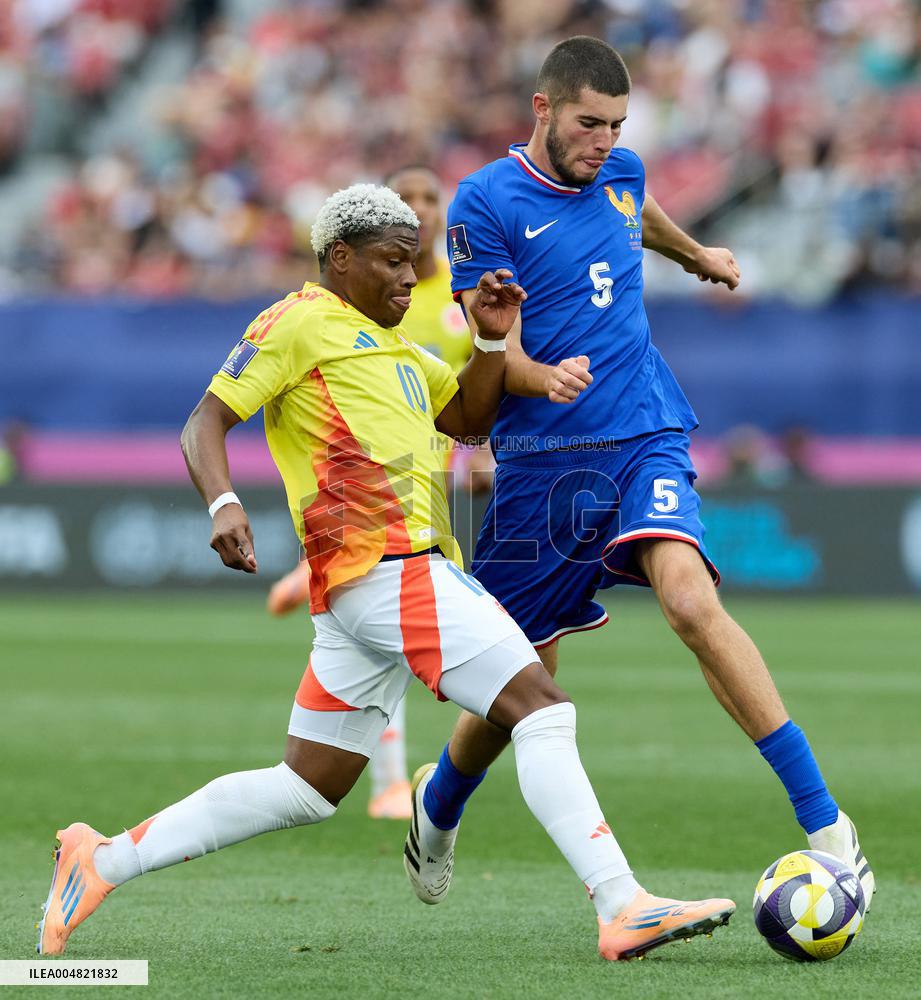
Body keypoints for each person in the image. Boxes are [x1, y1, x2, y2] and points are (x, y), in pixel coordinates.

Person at [36, 184, 735, 962]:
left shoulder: (397, 347)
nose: (410, 277)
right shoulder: (297, 321)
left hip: (366, 591)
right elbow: (205, 420)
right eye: (394, 262)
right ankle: (620, 902)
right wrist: (223, 503)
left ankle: (102, 860)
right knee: (540, 709)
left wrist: (491, 341)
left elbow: (465, 420)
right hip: (387, 565)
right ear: (340, 258)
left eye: (416, 262)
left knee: (306, 785)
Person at [403, 36, 874, 912]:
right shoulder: (486, 201)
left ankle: (825, 823)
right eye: (589, 123)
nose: (605, 141)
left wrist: (695, 256)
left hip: (644, 431)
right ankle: (439, 805)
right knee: (519, 684)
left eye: (617, 125)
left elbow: (639, 210)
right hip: (542, 466)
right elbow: (491, 346)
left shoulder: (619, 170)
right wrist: (539, 376)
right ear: (543, 109)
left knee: (691, 604)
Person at [264, 166, 488, 821]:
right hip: (373, 492)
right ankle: (394, 783)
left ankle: (310, 572)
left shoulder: (457, 294)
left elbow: (469, 393)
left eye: (429, 199)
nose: (421, 208)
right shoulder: (351, 304)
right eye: (407, 198)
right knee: (409, 628)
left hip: (431, 477)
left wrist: (484, 448)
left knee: (391, 630)